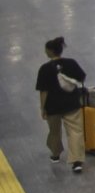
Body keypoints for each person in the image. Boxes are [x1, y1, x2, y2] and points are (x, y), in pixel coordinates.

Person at [35, 37, 87, 173]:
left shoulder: (44, 69)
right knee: (75, 131)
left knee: (54, 131)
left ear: (50, 51)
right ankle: (77, 162)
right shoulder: (71, 63)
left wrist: (43, 108)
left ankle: (56, 154)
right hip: (72, 103)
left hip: (53, 106)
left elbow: (43, 91)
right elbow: (81, 78)